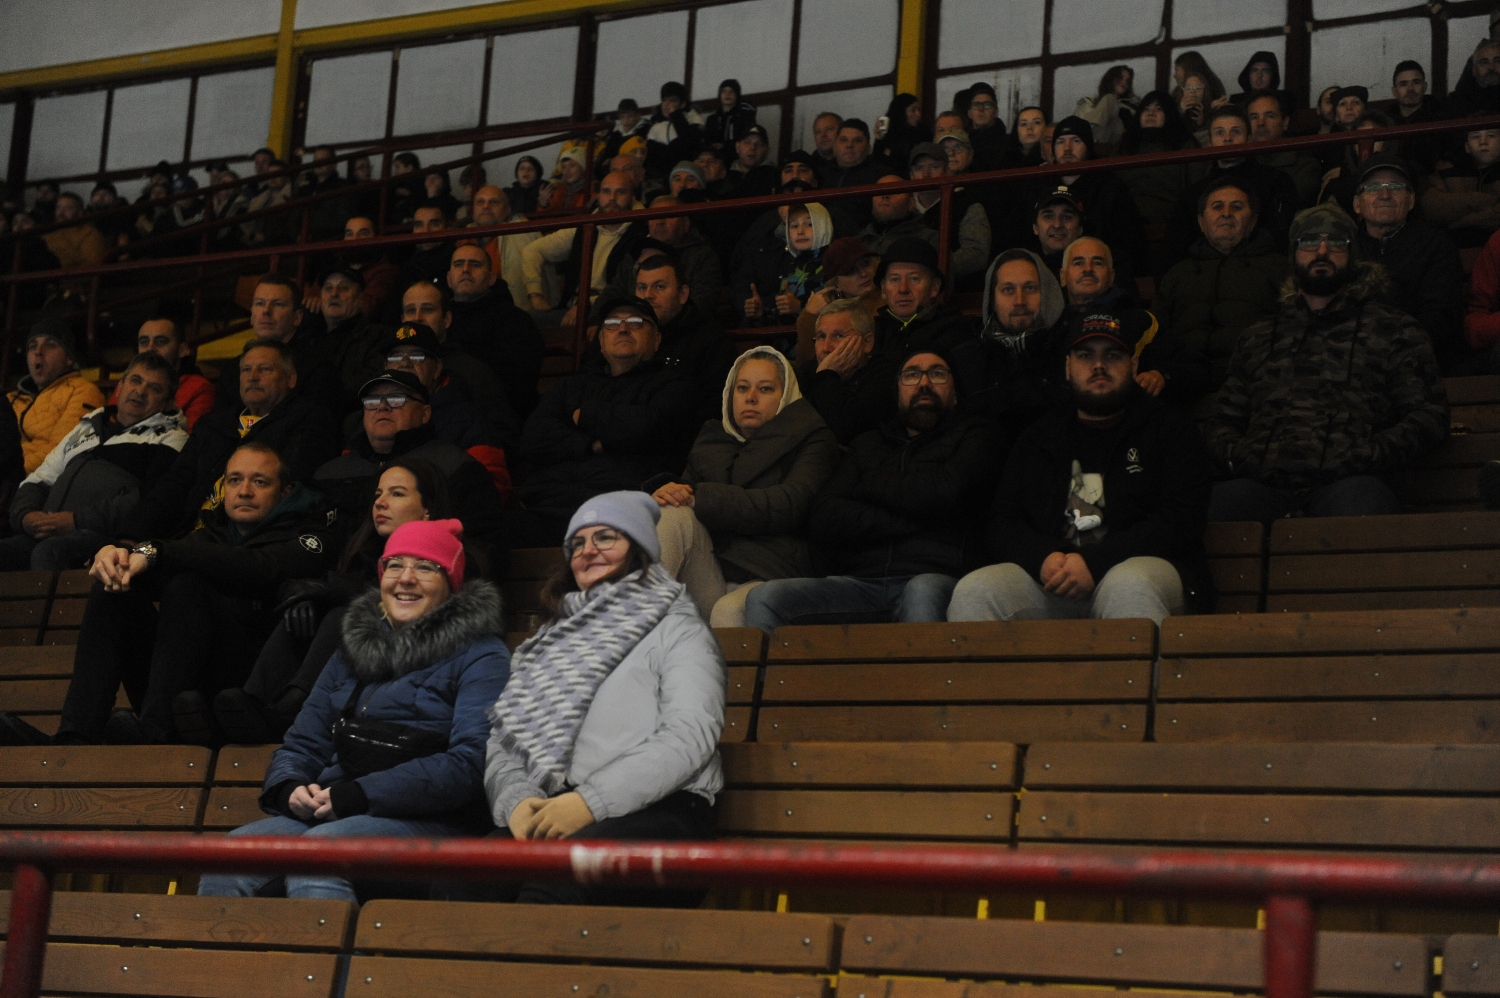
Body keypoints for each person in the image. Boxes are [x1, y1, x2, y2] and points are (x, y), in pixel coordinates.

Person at [197, 519, 508, 902]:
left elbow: (471, 761)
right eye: (395, 565)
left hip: (434, 822)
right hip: (338, 811)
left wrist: (361, 794)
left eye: (426, 567)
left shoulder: (482, 655)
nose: (406, 578)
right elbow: (302, 744)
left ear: (451, 584)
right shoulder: (351, 651)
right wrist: (290, 788)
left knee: (321, 855)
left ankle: (330, 946)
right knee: (228, 859)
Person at [476, 491, 722, 908]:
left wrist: (591, 803)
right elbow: (506, 739)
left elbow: (689, 735)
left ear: (638, 549)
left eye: (606, 537)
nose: (588, 551)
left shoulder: (679, 630)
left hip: (666, 811)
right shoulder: (546, 642)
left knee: (556, 887)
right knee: (464, 883)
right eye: (577, 544)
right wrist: (515, 800)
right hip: (561, 808)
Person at [0, 443, 335, 747]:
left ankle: (154, 730)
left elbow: (258, 567)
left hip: (242, 697)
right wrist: (114, 553)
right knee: (115, 587)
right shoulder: (207, 535)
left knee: (188, 583)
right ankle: (76, 736)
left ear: (285, 491)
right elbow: (168, 559)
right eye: (234, 480)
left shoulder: (309, 537)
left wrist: (156, 551)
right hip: (180, 690)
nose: (244, 491)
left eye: (260, 482)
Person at [948, 308, 1214, 625]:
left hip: (1144, 568)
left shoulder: (1170, 429)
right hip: (1055, 578)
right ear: (1067, 367)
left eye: (1112, 355)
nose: (1098, 365)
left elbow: (1180, 521)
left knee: (1128, 585)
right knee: (975, 592)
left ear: (1133, 365)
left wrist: (1095, 562)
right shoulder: (1038, 437)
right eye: (1085, 355)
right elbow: (1003, 522)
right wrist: (1042, 557)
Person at [1204, 203, 1449, 522]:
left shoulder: (1394, 329)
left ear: (1352, 255)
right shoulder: (1258, 337)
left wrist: (1365, 454)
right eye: (1309, 242)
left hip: (1350, 482)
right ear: (1293, 254)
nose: (1322, 251)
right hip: (1264, 484)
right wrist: (1247, 458)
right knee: (1213, 510)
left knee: (1363, 505)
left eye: (1336, 242)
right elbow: (1222, 421)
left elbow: (1429, 415)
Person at [743, 347, 1001, 631]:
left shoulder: (976, 434)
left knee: (921, 591)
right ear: (897, 390)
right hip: (861, 582)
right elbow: (825, 516)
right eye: (911, 375)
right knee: (765, 598)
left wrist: (868, 486)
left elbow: (948, 491)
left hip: (937, 576)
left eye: (937, 374)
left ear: (955, 393)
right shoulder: (867, 444)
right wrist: (923, 518)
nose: (924, 383)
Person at [215, 457, 457, 744]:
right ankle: (252, 704)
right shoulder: (361, 550)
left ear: (428, 508)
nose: (380, 503)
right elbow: (316, 584)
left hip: (411, 656)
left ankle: (291, 710)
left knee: (341, 614)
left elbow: (402, 604)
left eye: (397, 494)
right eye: (378, 494)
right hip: (363, 656)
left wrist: (328, 591)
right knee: (301, 611)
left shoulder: (453, 557)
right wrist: (308, 598)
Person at [648, 346, 837, 627]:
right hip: (710, 569)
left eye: (765, 389)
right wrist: (669, 494)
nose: (750, 398)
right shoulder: (712, 439)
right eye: (742, 388)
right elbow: (688, 496)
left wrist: (703, 499)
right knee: (671, 512)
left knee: (729, 611)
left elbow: (790, 504)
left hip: (771, 573)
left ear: (786, 395)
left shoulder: (812, 438)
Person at [507, 294, 697, 547]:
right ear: (601, 339)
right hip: (547, 505)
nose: (623, 328)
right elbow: (533, 438)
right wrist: (591, 444)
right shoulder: (571, 386)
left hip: (622, 508)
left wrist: (584, 415)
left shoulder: (673, 385)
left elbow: (646, 427)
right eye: (612, 323)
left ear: (656, 339)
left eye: (635, 322)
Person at [123, 340, 340, 540]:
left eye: (264, 369)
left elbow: (289, 487)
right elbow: (174, 484)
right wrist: (131, 536)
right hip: (185, 535)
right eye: (246, 370)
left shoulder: (309, 421)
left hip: (247, 540)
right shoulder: (214, 424)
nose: (253, 376)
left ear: (291, 379)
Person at [1, 353, 187, 572]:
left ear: (168, 403)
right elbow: (41, 477)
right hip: (44, 531)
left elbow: (148, 500)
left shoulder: (172, 438)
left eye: (154, 388)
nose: (140, 391)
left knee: (49, 553)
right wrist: (25, 515)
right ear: (120, 387)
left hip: (104, 538)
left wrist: (76, 521)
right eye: (135, 380)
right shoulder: (89, 424)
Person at [312, 369, 505, 567]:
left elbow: (485, 549)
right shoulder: (330, 473)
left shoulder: (457, 466)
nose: (382, 407)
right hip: (334, 581)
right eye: (372, 400)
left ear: (425, 413)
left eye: (396, 398)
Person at [1154, 180, 1291, 387]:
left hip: (1257, 378)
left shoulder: (1278, 269)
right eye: (1217, 207)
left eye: (1237, 207)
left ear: (1253, 221)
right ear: (1201, 222)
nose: (1226, 213)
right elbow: (1158, 332)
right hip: (1185, 381)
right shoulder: (1178, 273)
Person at [1351, 152, 1468, 374]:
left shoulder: (1435, 245)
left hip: (1418, 361)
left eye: (1396, 187)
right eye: (1373, 187)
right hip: (1352, 360)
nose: (1385, 195)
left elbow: (1440, 318)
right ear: (1357, 203)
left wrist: (1392, 349)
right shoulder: (1344, 248)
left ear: (1411, 200)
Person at [1057, 237, 1209, 404]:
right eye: (1078, 263)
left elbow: (1196, 367)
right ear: (1063, 276)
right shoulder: (1053, 328)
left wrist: (1162, 375)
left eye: (1098, 263)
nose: (1088, 269)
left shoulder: (1141, 323)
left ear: (1112, 276)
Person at [1166, 104, 1301, 266]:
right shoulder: (1193, 194)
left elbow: (1286, 239)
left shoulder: (1276, 182)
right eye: (1219, 132)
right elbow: (1174, 251)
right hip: (1205, 272)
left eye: (1236, 131)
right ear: (1210, 141)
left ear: (1249, 139)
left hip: (1261, 269)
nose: (1227, 138)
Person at [950, 248, 1067, 433]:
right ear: (992, 300)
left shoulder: (1069, 352)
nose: (1020, 300)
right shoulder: (964, 360)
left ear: (1047, 294)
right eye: (1008, 290)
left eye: (1030, 288)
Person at [522, 170, 643, 325]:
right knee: (522, 321)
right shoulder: (584, 227)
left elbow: (629, 288)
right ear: (599, 196)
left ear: (632, 198)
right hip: (571, 308)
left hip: (613, 313)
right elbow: (532, 250)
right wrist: (536, 295)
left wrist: (588, 305)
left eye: (620, 192)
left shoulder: (642, 233)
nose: (612, 198)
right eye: (606, 191)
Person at [1041, 116, 1149, 285]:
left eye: (1075, 141)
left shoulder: (1111, 187)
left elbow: (1130, 243)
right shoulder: (1040, 186)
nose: (1067, 149)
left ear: (1088, 147)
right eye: (1060, 142)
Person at [630, 252, 736, 421]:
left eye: (659, 287)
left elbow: (716, 405)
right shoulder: (621, 331)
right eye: (642, 287)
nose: (648, 295)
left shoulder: (710, 338)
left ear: (682, 294)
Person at [445, 243, 545, 419]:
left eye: (475, 264)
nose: (466, 270)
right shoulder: (438, 320)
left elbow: (519, 384)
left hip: (496, 415)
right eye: (458, 264)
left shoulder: (515, 321)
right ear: (449, 279)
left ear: (491, 278)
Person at [9, 318, 106, 475]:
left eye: (50, 345)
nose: (38, 351)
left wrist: (10, 472)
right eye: (32, 346)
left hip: (35, 481)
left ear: (69, 358)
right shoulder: (11, 398)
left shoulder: (83, 391)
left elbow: (60, 453)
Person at [797, 297, 896, 445]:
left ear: (867, 343)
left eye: (838, 336)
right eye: (821, 336)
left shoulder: (886, 376)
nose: (826, 348)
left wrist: (827, 375)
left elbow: (846, 431)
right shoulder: (806, 372)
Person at [107, 314, 211, 432]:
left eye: (161, 342)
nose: (150, 348)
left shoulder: (199, 388)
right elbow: (108, 424)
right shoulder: (129, 382)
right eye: (144, 342)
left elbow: (191, 439)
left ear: (182, 350)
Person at [873, 237, 973, 360]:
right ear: (883, 289)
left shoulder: (954, 329)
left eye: (914, 279)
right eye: (895, 279)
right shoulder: (871, 331)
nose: (903, 289)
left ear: (934, 287)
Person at [1116, 91, 1200, 234]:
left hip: (1172, 220)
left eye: (1158, 108)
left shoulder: (1184, 144)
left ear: (1169, 114)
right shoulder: (1125, 145)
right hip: (1124, 217)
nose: (1151, 113)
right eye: (1146, 108)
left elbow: (1196, 186)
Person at [737, 202, 833, 326]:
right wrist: (762, 313)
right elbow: (782, 317)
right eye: (794, 226)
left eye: (809, 224)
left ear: (823, 226)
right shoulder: (792, 267)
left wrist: (799, 308)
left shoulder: (832, 264)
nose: (800, 231)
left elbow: (837, 312)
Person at [908, 141, 992, 283]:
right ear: (911, 174)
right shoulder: (902, 207)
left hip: (956, 287)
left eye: (934, 167)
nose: (926, 174)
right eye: (919, 168)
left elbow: (977, 255)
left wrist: (926, 269)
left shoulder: (967, 205)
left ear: (947, 171)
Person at [795, 235, 884, 364]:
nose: (863, 274)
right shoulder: (822, 308)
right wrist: (808, 316)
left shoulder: (888, 298)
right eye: (851, 271)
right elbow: (805, 364)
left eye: (865, 264)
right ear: (835, 282)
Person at [469, 184, 551, 313]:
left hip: (512, 312)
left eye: (494, 202)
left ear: (507, 210)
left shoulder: (522, 232)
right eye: (480, 202)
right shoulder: (460, 236)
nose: (486, 206)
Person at [1420, 127, 1500, 247]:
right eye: (1476, 136)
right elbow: (1432, 208)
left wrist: (1460, 222)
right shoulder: (1448, 171)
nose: (1483, 141)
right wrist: (1481, 200)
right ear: (1467, 146)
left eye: (1491, 135)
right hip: (1453, 244)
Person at [1247, 92, 1322, 209]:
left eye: (1269, 116)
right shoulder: (1241, 160)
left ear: (1285, 123)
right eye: (1254, 117)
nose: (1260, 123)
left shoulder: (1305, 165)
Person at [857, 175, 939, 255]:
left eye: (894, 191)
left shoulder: (930, 239)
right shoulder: (859, 241)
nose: (885, 196)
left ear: (911, 203)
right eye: (879, 191)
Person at [1029, 186, 1088, 280]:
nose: (1057, 225)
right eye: (1048, 216)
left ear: (1080, 228)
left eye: (1067, 217)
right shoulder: (1021, 271)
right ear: (1035, 227)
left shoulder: (1091, 271)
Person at [1073, 65, 1138, 148]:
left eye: (1127, 81)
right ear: (1110, 79)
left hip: (1116, 143)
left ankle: (1091, 129)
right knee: (1109, 99)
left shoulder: (1130, 107)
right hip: (1090, 140)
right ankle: (1091, 130)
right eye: (1120, 78)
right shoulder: (1088, 103)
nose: (1124, 82)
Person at [42, 193, 108, 269]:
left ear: (80, 213)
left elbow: (92, 265)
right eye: (58, 207)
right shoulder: (48, 231)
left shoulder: (89, 233)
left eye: (68, 208)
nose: (61, 212)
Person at [964, 82, 1008, 171]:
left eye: (987, 105)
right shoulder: (963, 143)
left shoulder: (1009, 144)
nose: (981, 109)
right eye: (976, 105)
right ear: (969, 113)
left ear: (996, 112)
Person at [874, 93, 924, 171]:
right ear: (901, 112)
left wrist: (891, 153)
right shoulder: (888, 135)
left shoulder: (923, 133)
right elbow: (876, 163)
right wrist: (879, 139)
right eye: (913, 110)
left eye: (919, 110)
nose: (918, 114)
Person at [726, 124, 778, 198]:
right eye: (747, 142)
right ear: (737, 147)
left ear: (767, 151)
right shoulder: (724, 174)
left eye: (759, 144)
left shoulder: (776, 177)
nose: (753, 147)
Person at [542, 148, 593, 213]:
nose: (567, 170)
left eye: (572, 165)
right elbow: (549, 216)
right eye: (563, 167)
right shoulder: (559, 190)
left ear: (583, 167)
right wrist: (543, 205)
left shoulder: (592, 189)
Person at [810, 111, 843, 187]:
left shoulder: (855, 165)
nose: (823, 135)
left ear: (842, 131)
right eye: (818, 132)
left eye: (829, 129)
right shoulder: (808, 167)